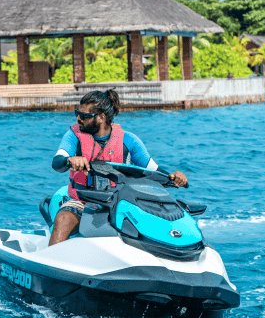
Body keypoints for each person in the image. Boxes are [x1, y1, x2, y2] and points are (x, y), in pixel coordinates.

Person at [49, 89, 188, 246]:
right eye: (77, 113)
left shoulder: (129, 140)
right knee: (63, 219)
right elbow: (57, 163)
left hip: (119, 202)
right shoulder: (74, 135)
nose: (78, 118)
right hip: (81, 201)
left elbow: (153, 171)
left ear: (101, 118)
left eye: (84, 116)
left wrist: (173, 178)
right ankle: (48, 263)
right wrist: (69, 160)